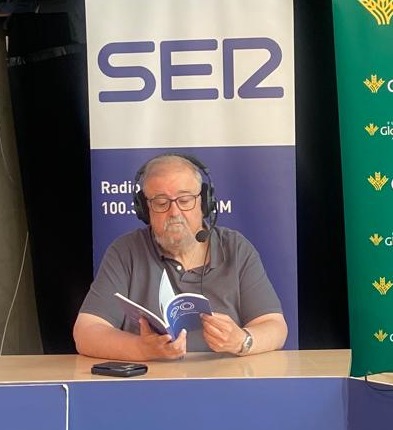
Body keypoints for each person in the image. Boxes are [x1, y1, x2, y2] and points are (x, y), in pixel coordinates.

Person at [73, 153, 289, 361]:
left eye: (185, 200)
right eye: (160, 202)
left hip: (227, 387)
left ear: (204, 202)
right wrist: (142, 349)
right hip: (150, 389)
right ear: (145, 209)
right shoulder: (125, 251)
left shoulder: (236, 248)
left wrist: (242, 341)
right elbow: (86, 332)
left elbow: (275, 326)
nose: (174, 212)